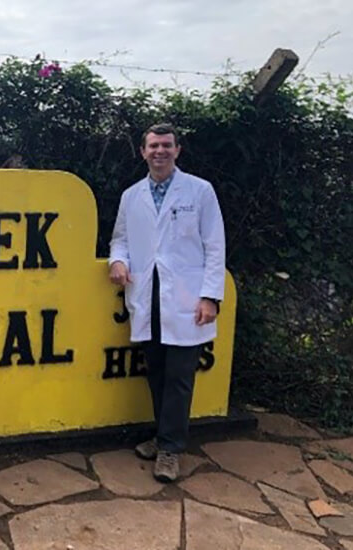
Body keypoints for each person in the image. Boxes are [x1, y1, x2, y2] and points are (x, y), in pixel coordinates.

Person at [108, 123, 225, 482]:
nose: (160, 151)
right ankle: (163, 438)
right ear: (143, 152)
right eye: (153, 146)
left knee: (179, 376)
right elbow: (121, 239)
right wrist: (118, 261)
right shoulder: (132, 195)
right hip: (147, 296)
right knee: (156, 371)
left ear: (178, 150)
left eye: (166, 145)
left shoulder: (200, 191)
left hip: (186, 299)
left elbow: (215, 245)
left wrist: (210, 296)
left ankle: (171, 450)